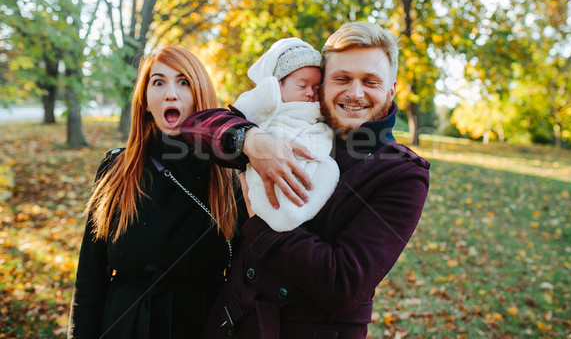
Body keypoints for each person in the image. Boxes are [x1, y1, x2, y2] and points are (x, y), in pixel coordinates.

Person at [181, 21, 430, 339]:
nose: (354, 93)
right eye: (342, 78)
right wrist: (250, 140)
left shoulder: (403, 174)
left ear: (391, 89)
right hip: (234, 320)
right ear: (323, 83)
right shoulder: (287, 122)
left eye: (370, 81)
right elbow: (195, 127)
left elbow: (344, 284)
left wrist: (261, 226)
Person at [68, 47, 244, 338]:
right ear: (146, 101)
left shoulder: (229, 177)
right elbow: (90, 278)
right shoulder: (116, 169)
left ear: (201, 95)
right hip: (126, 324)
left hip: (201, 324)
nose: (170, 94)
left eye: (183, 81)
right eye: (158, 82)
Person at [233, 37, 339, 232]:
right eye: (302, 86)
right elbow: (237, 116)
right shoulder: (267, 108)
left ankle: (297, 210)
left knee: (330, 170)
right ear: (278, 85)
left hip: (308, 168)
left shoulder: (321, 112)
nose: (310, 93)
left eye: (317, 88)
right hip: (270, 164)